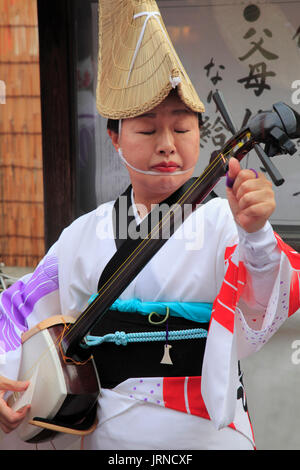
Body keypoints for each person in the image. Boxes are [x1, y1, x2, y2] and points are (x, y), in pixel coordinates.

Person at [0, 0, 299, 450]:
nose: (166, 146)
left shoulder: (226, 220)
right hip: (113, 437)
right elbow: (15, 313)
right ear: (115, 137)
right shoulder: (82, 236)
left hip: (210, 435)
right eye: (145, 130)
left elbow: (263, 309)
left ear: (202, 134)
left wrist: (255, 233)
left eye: (182, 129)